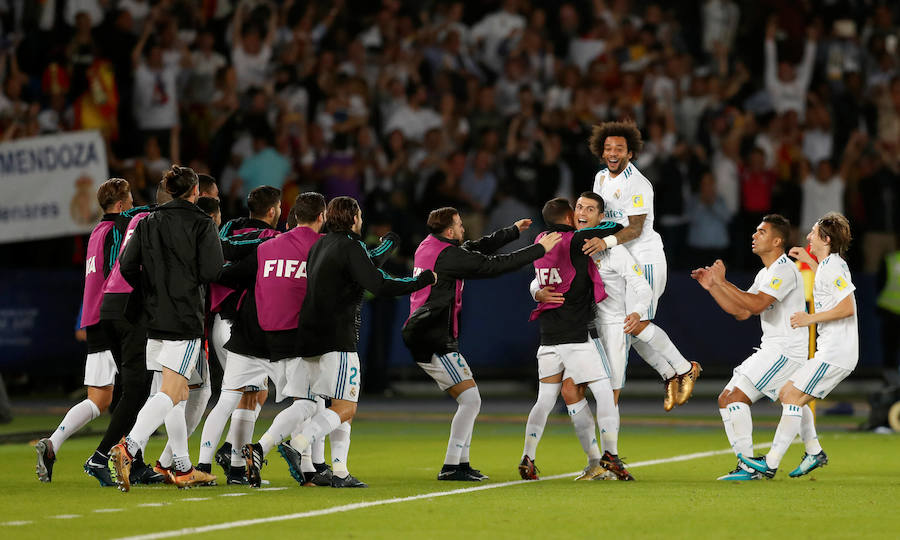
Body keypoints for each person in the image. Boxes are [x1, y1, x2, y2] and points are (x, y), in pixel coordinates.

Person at [243, 196, 436, 488]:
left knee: (314, 404)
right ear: (353, 218)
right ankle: (299, 443)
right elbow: (378, 283)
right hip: (336, 337)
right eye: (359, 215)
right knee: (345, 407)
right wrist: (421, 281)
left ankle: (334, 469)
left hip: (307, 336)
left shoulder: (319, 244)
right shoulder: (350, 246)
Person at [402, 208, 561, 481]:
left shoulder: (431, 245)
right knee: (470, 400)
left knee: (470, 400)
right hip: (432, 337)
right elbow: (493, 266)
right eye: (460, 225)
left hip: (426, 332)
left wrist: (512, 232)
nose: (464, 228)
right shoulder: (449, 256)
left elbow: (475, 248)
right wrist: (538, 250)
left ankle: (460, 464)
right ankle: (452, 465)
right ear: (449, 231)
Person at [110, 166, 223, 492]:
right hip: (184, 318)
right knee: (172, 391)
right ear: (196, 192)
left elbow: (127, 265)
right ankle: (128, 447)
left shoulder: (148, 221)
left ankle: (183, 468)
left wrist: (151, 290)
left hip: (153, 318)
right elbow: (213, 270)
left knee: (174, 392)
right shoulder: (201, 223)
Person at [524, 192, 651, 481]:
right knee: (571, 392)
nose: (582, 212)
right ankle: (597, 461)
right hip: (582, 331)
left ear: (599, 218)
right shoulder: (569, 244)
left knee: (609, 394)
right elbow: (539, 275)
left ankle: (609, 459)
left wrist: (637, 311)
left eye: (590, 209)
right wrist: (536, 291)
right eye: (579, 206)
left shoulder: (613, 250)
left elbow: (641, 285)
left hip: (611, 327)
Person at [586, 121, 700, 410]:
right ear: (601, 151)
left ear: (631, 153)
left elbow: (634, 229)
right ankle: (669, 373)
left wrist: (605, 244)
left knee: (638, 323)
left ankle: (684, 368)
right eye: (608, 148)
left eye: (619, 149)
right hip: (620, 263)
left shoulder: (636, 183)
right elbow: (602, 220)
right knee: (629, 327)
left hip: (645, 260)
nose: (613, 153)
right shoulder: (600, 179)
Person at [691, 215, 814, 480]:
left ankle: (751, 466)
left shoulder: (785, 268)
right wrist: (713, 287)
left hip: (785, 351)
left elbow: (756, 305)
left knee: (735, 398)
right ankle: (750, 465)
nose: (754, 235)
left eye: (762, 231)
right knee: (726, 399)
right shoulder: (765, 273)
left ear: (778, 240)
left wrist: (722, 282)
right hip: (772, 348)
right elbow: (742, 312)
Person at [740, 213, 857, 478]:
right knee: (790, 392)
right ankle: (814, 451)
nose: (807, 237)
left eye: (813, 233)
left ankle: (770, 463)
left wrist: (809, 318)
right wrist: (810, 262)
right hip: (833, 350)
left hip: (836, 352)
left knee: (790, 395)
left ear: (825, 239)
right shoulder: (830, 264)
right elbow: (828, 284)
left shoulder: (834, 267)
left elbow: (847, 307)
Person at [35, 178, 134, 483]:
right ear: (120, 205)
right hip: (111, 318)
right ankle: (131, 459)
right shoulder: (117, 230)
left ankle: (53, 444)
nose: (131, 205)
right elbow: (119, 272)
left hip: (93, 319)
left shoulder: (95, 232)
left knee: (99, 400)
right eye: (129, 200)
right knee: (146, 387)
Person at [196, 186, 281, 483]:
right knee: (241, 398)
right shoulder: (272, 240)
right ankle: (229, 462)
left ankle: (218, 464)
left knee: (246, 394)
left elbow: (224, 253)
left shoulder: (229, 228)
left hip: (221, 321)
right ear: (272, 211)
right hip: (242, 324)